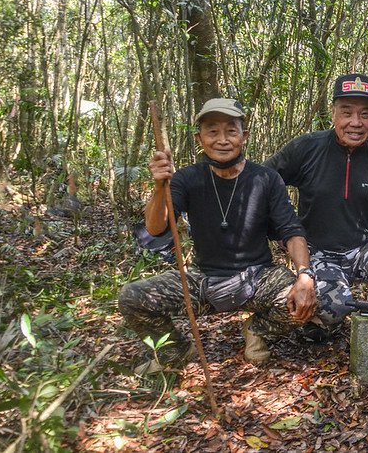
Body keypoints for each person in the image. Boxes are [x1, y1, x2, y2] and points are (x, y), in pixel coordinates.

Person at [119, 98, 316, 373]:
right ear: (200, 138)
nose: (222, 140)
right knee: (131, 297)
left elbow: (292, 232)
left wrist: (305, 275)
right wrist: (159, 186)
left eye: (231, 131)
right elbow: (156, 228)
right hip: (204, 280)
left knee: (306, 298)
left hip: (257, 277)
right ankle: (175, 350)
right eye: (212, 131)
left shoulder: (266, 179)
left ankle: (258, 331)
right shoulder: (187, 178)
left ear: (243, 136)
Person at [265, 73, 368, 360]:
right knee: (331, 309)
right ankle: (320, 322)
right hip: (319, 251)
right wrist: (286, 228)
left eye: (365, 114)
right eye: (347, 112)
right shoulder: (306, 148)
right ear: (333, 113)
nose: (356, 122)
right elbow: (262, 184)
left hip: (366, 247)